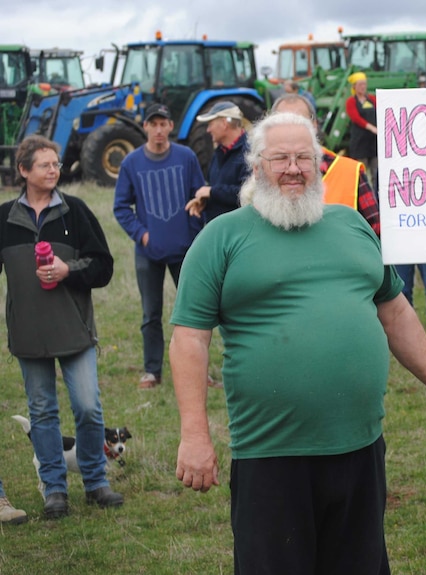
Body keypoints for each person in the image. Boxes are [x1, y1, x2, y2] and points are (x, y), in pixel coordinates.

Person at [169, 112, 426, 574]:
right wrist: (194, 434)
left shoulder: (351, 226)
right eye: (280, 159)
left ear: (319, 164)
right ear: (256, 167)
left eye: (304, 158)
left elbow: (396, 312)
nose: (294, 168)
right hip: (271, 455)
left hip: (359, 448)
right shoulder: (221, 238)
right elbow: (190, 337)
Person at [1, 135, 122, 519]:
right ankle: (54, 488)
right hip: (29, 334)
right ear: (23, 171)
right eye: (45, 165)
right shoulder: (5, 218)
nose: (54, 170)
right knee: (42, 413)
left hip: (75, 331)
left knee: (87, 407)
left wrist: (69, 270)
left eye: (56, 164)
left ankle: (94, 481)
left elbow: (103, 266)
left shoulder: (76, 211)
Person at [114, 103, 205, 389]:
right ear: (146, 128)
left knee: (194, 312)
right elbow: (121, 208)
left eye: (163, 124)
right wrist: (142, 235)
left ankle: (200, 369)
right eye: (152, 124)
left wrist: (193, 236)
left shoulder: (186, 157)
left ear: (170, 127)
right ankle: (152, 371)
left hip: (184, 251)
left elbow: (199, 197)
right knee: (150, 313)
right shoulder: (131, 163)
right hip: (149, 252)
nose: (158, 130)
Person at [270, 93, 380, 235]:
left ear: (314, 125)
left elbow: (376, 235)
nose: (292, 132)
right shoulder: (261, 175)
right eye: (282, 124)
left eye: (300, 123)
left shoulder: (350, 173)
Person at [185, 101, 250, 222]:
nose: (208, 130)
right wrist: (205, 201)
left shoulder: (249, 153)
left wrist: (211, 192)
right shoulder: (219, 152)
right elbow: (218, 187)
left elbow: (247, 193)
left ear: (224, 124)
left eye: (210, 124)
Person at [345, 71, 378, 189]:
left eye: (364, 84)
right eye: (360, 84)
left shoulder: (373, 100)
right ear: (354, 87)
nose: (363, 87)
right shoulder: (351, 102)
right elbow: (356, 118)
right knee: (362, 173)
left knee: (376, 171)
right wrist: (372, 128)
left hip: (374, 142)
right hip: (360, 141)